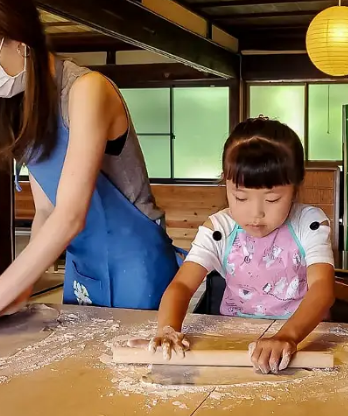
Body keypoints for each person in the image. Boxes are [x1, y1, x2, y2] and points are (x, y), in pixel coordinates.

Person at [0, 0, 181, 339]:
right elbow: (47, 213)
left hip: (138, 270)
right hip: (82, 269)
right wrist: (17, 292)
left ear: (15, 33)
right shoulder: (26, 107)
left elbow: (71, 216)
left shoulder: (88, 90)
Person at [142, 117, 336, 374]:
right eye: (240, 197)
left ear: (296, 188)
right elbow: (182, 285)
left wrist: (287, 336)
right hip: (234, 342)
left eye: (273, 198)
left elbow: (322, 289)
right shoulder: (219, 229)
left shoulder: (309, 223)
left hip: (302, 338)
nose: (256, 214)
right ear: (226, 183)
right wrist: (169, 328)